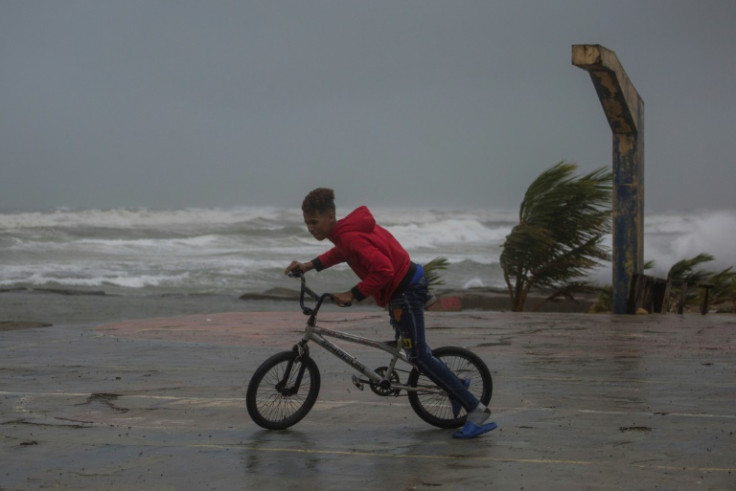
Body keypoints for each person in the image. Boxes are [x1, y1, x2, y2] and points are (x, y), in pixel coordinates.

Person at [285, 187, 497, 439]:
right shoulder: (345, 233)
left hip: (405, 290)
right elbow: (341, 253)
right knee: (417, 350)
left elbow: (383, 270)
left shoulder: (350, 236)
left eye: (314, 221)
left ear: (330, 217)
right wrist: (309, 265)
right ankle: (455, 385)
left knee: (418, 356)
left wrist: (353, 294)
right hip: (405, 284)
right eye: (307, 222)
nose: (310, 227)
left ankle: (475, 409)